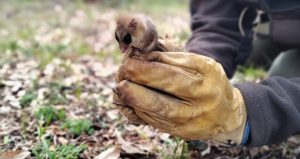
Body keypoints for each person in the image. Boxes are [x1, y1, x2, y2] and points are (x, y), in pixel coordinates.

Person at [113, 0, 300, 147]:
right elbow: (218, 24)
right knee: (254, 50)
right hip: (281, 24)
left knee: (284, 70)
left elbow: (273, 105)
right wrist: (191, 70)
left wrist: (251, 111)